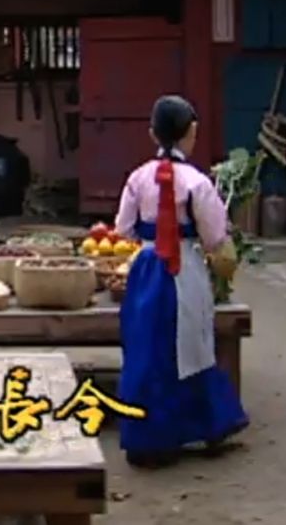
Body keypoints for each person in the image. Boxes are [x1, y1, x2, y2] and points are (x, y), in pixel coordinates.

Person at [113, 95, 248, 466]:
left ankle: (145, 438)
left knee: (146, 349)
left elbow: (122, 228)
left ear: (152, 134)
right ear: (192, 133)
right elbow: (215, 237)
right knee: (191, 348)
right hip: (183, 267)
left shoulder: (138, 177)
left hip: (146, 268)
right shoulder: (198, 183)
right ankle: (208, 424)